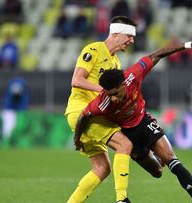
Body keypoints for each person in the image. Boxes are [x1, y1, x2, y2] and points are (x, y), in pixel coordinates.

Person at [74, 39, 192, 203]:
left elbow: (158, 54)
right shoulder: (101, 103)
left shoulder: (132, 75)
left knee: (173, 162)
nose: (112, 98)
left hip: (144, 123)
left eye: (115, 93)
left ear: (123, 84)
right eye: (108, 94)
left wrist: (189, 45)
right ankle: (152, 154)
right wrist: (77, 139)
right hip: (128, 134)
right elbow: (83, 116)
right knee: (157, 172)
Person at [65, 16, 155, 203]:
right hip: (82, 111)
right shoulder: (94, 49)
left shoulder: (116, 64)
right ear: (115, 33)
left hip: (94, 116)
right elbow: (77, 80)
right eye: (129, 35)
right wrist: (104, 91)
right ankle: (122, 199)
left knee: (102, 168)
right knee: (124, 145)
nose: (132, 40)